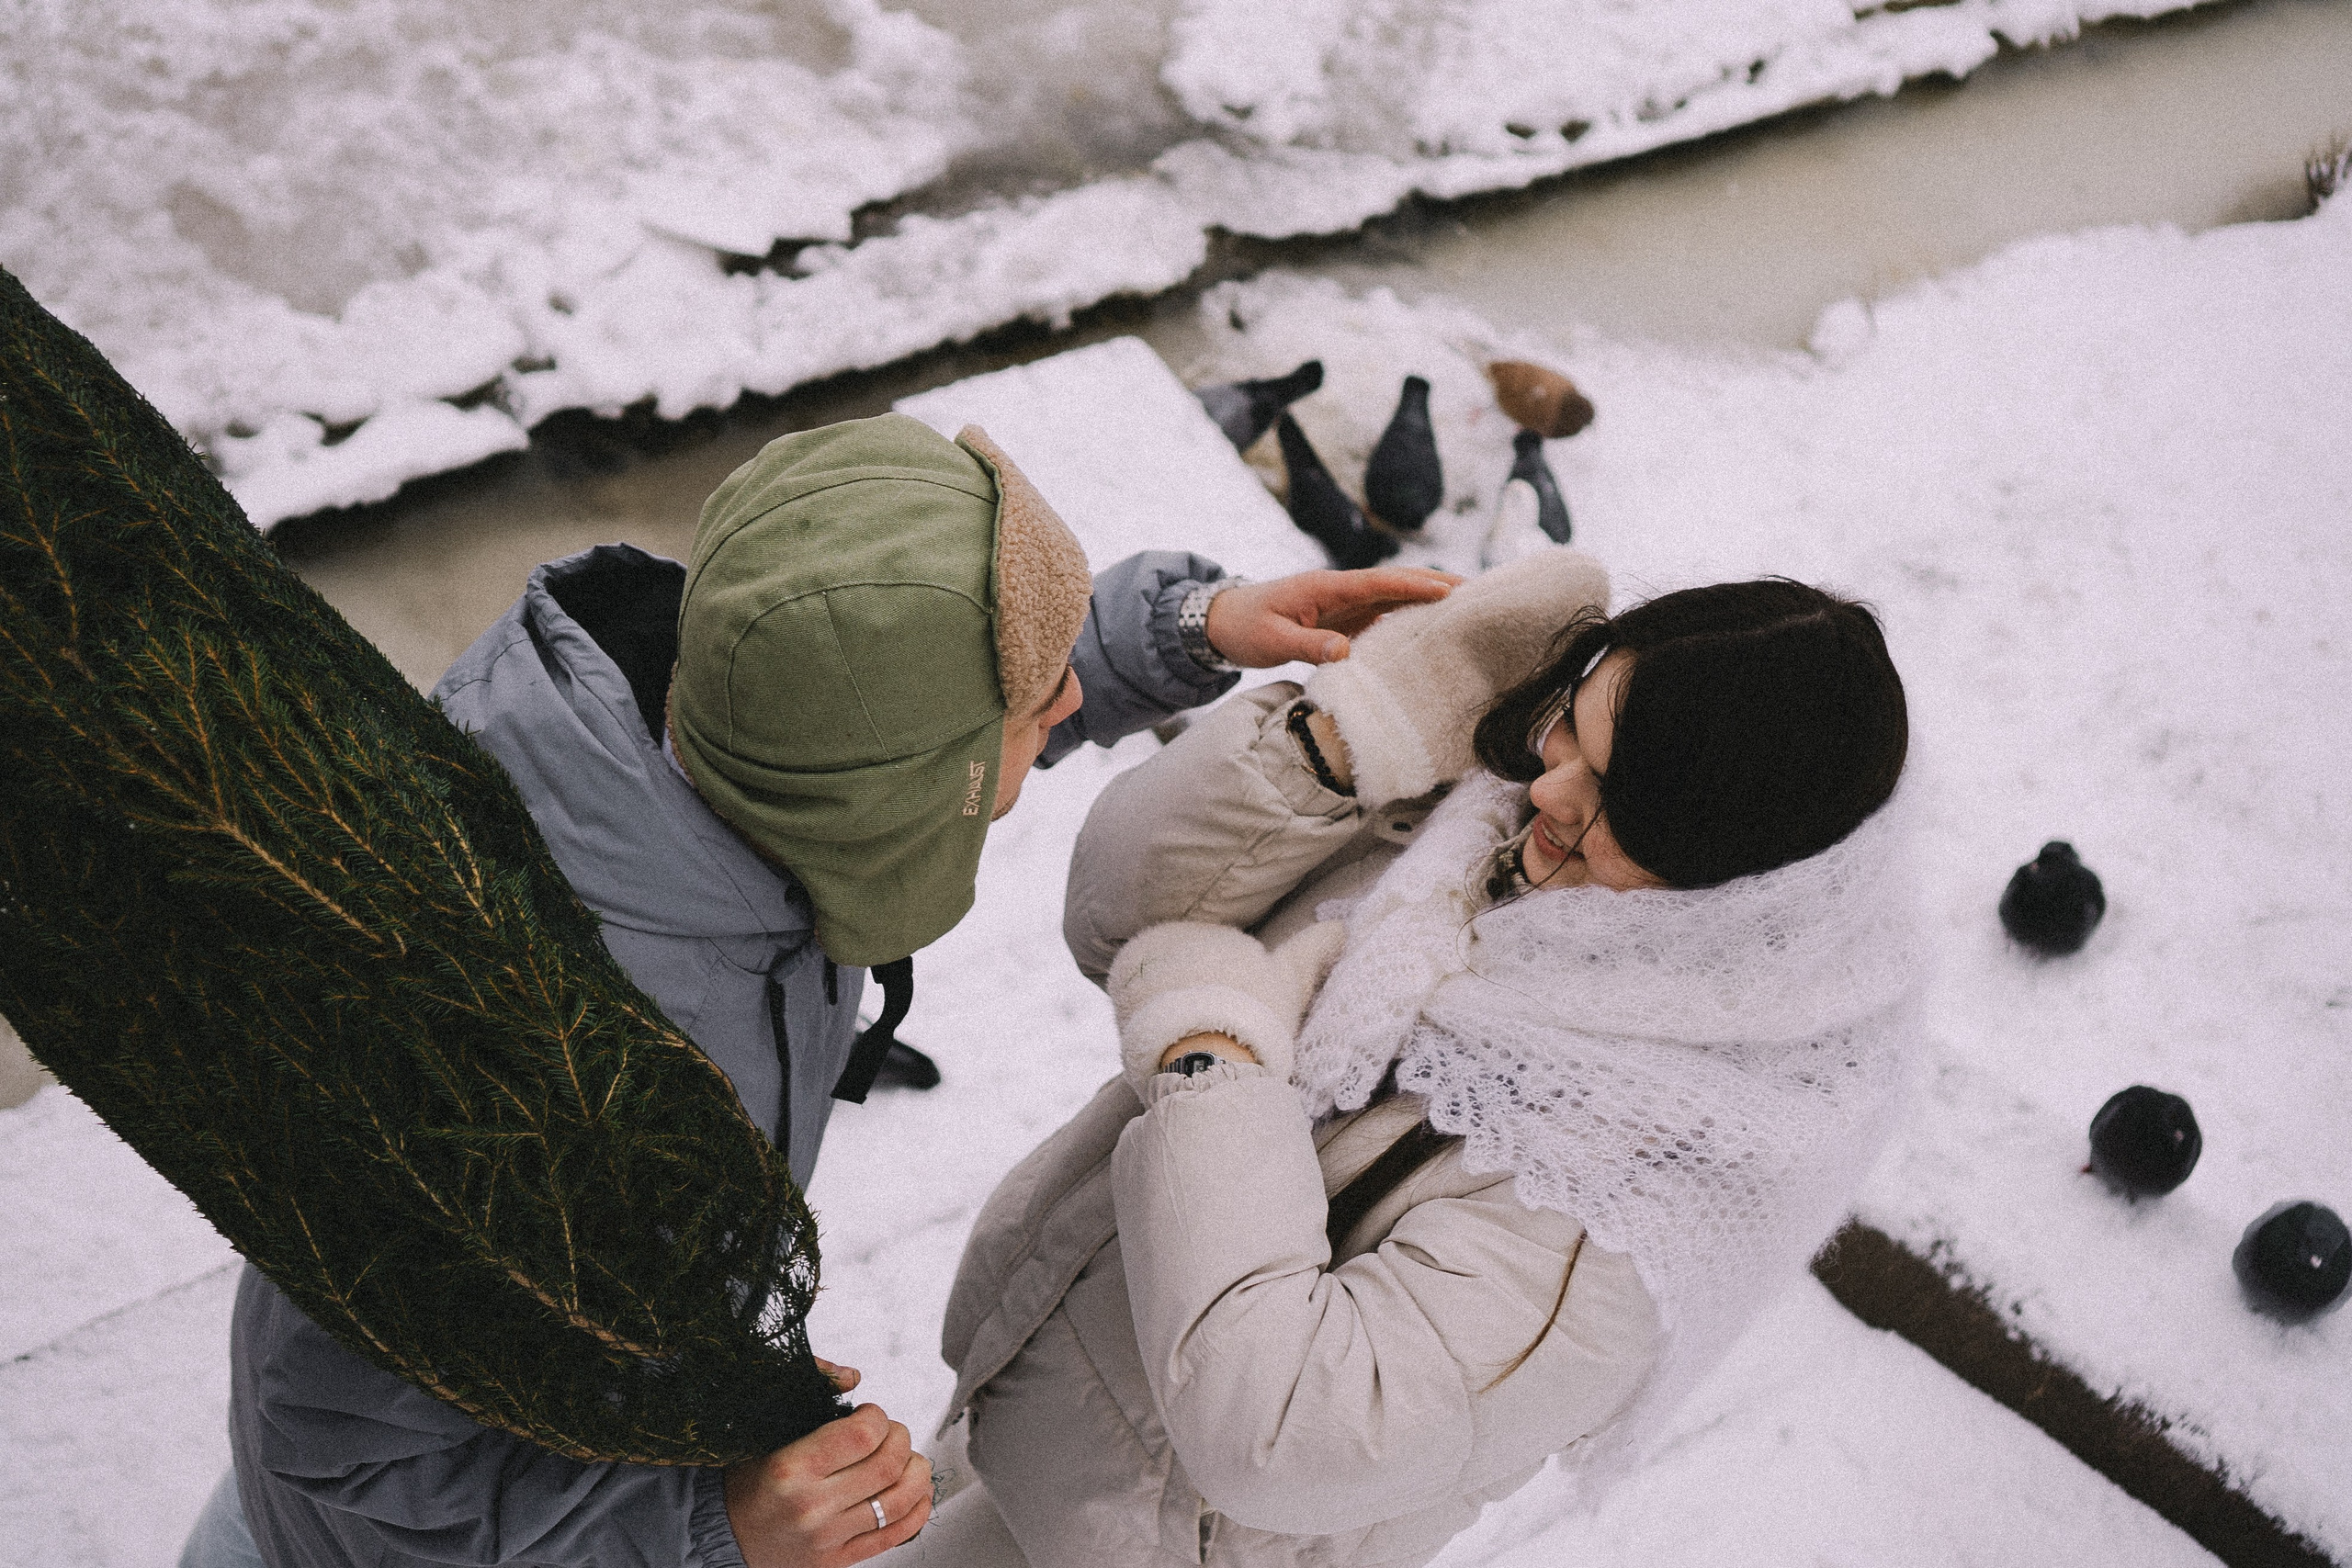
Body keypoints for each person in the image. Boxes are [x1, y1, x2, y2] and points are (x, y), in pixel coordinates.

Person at [185, 413, 1456, 1568]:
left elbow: (883, 685)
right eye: (1033, 703)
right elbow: (347, 1455)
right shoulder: (521, 1067)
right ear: (897, 795)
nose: (1069, 697)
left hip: (596, 1401)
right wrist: (708, 1527)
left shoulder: (695, 729)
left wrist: (1182, 630)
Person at [916, 553, 1923, 1567]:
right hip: (1039, 1380)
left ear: (1731, 878)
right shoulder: (1475, 837)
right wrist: (1365, 722)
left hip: (1143, 1537)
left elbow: (1281, 1425)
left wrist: (1209, 1058)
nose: (1547, 787)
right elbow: (1119, 913)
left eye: (1619, 797)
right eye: (1572, 720)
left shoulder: (1632, 1187)